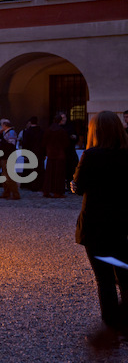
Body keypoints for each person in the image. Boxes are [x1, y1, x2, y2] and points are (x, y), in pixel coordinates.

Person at [71, 111, 128, 348]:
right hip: (122, 223)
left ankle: (112, 328)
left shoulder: (91, 155)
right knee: (124, 276)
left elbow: (79, 185)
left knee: (104, 279)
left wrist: (74, 185)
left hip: (95, 224)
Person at [42, 114, 68, 198]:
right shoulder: (61, 131)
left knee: (49, 173)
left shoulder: (48, 130)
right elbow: (66, 143)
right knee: (58, 174)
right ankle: (57, 192)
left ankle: (47, 190)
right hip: (59, 154)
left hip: (50, 153)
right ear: (60, 121)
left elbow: (44, 142)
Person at [0, 120, 21, 200]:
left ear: (5, 125)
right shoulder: (5, 132)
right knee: (4, 175)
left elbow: (11, 145)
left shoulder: (11, 133)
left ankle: (15, 193)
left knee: (9, 176)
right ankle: (6, 192)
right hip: (4, 156)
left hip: (8, 156)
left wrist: (1, 141)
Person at [22, 117, 45, 192]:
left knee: (30, 169)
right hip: (39, 153)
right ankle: (38, 185)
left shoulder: (27, 132)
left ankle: (30, 185)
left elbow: (25, 144)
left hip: (30, 152)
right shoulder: (41, 131)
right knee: (38, 169)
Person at [60, 112, 79, 192]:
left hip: (70, 152)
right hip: (62, 152)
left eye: (64, 117)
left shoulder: (70, 127)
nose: (63, 119)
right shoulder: (58, 128)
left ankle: (70, 186)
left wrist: (74, 137)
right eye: (62, 118)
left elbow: (76, 136)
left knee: (71, 170)